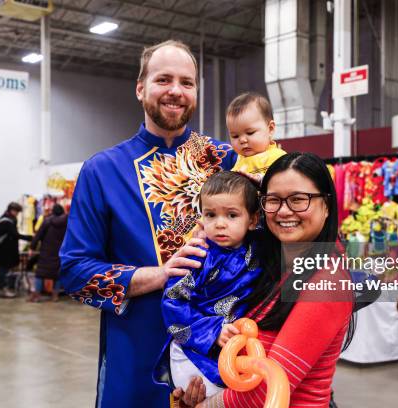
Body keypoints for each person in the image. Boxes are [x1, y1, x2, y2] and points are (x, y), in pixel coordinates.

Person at [59, 39, 236, 407]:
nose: (176, 91)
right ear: (140, 89)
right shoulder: (102, 170)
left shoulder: (227, 160)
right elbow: (74, 272)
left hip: (222, 359)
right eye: (163, 80)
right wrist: (160, 274)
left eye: (187, 83)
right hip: (135, 359)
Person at [173, 153, 354, 408]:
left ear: (326, 205)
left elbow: (263, 392)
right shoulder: (269, 264)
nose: (283, 211)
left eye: (299, 199)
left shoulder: (327, 284)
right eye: (273, 200)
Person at [156, 171, 262, 396]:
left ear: (252, 220)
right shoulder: (196, 256)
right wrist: (212, 331)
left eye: (232, 215)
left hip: (233, 346)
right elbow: (172, 302)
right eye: (211, 215)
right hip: (194, 350)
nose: (220, 224)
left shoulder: (259, 247)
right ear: (201, 218)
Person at [227, 92, 286, 175]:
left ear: (270, 129)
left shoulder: (278, 158)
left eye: (250, 133)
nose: (242, 140)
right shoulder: (239, 161)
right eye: (235, 136)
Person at [28, 204, 68, 302]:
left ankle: (37, 296)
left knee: (40, 274)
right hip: (60, 252)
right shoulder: (67, 222)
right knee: (57, 274)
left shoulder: (47, 221)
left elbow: (38, 235)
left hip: (46, 251)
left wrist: (32, 247)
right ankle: (55, 296)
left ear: (53, 211)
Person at [0, 202, 32, 299]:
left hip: (5, 249)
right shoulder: (7, 221)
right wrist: (29, 238)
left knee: (4, 269)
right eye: (17, 212)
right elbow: (14, 234)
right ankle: (2, 290)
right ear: (12, 210)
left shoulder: (6, 218)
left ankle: (2, 289)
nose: (17, 214)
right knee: (3, 269)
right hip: (5, 250)